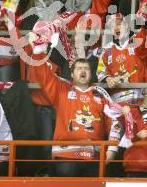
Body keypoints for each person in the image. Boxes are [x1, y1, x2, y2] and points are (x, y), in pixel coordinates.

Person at [27, 39, 121, 177]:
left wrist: (112, 148)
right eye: (79, 68)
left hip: (93, 157)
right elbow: (44, 75)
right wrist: (38, 50)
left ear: (91, 72)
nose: (83, 71)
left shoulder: (100, 94)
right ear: (71, 74)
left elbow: (115, 122)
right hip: (66, 155)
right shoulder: (63, 89)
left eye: (86, 68)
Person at [98, 13, 147, 105]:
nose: (116, 27)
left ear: (126, 26)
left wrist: (144, 15)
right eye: (112, 26)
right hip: (117, 99)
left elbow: (144, 32)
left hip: (139, 96)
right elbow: (100, 71)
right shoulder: (106, 50)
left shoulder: (134, 41)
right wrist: (108, 78)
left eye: (119, 24)